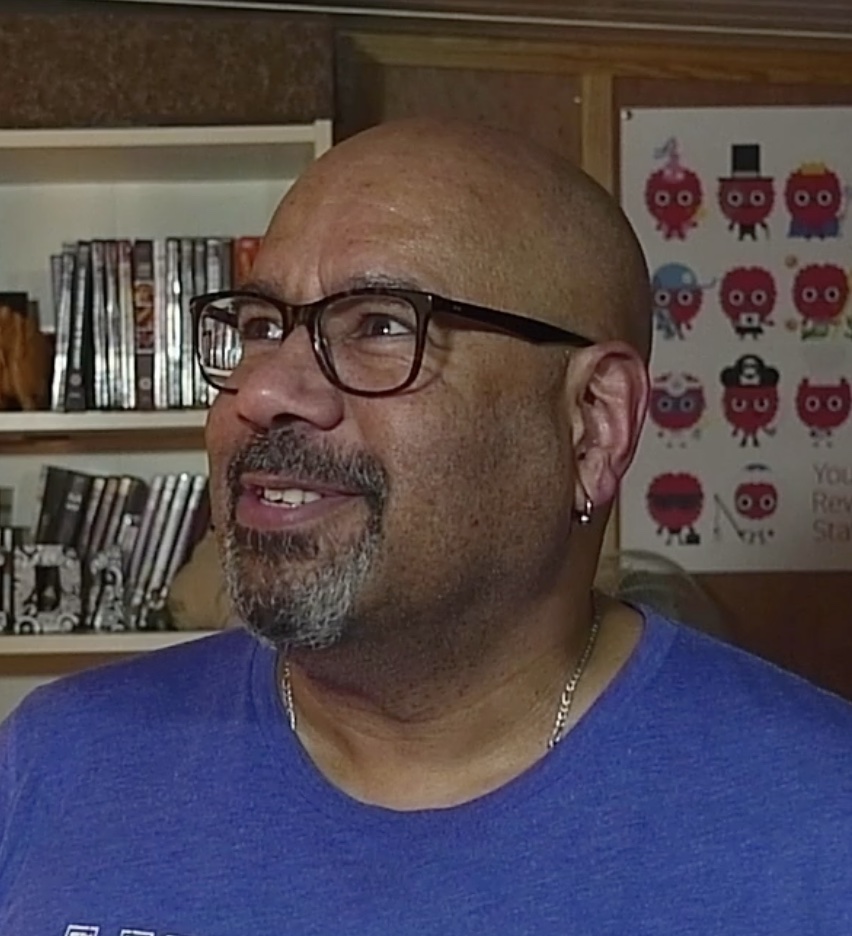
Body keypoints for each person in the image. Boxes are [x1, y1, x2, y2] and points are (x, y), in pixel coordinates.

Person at [1, 118, 850, 935]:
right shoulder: (54, 765)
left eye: (380, 325)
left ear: (592, 422)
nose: (260, 393)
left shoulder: (818, 822)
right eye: (260, 328)